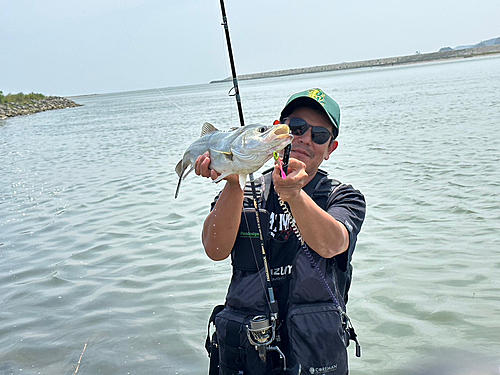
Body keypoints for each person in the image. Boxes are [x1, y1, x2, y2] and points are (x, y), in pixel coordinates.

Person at [196, 88, 366, 375]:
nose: (305, 139)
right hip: (246, 355)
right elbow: (215, 250)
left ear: (330, 149)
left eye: (319, 135)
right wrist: (233, 181)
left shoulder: (344, 197)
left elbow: (332, 244)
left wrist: (295, 196)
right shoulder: (246, 192)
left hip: (315, 358)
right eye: (297, 127)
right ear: (279, 130)